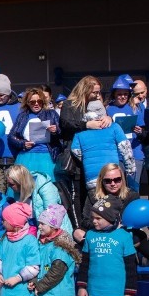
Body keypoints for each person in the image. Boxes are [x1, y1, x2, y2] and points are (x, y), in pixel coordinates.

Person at [59, 75, 112, 216]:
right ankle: (79, 227)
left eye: (98, 92)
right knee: (77, 193)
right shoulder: (69, 104)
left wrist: (108, 118)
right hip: (76, 158)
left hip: (94, 156)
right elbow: (65, 124)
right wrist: (85, 124)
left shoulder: (95, 104)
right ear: (84, 90)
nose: (97, 95)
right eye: (94, 92)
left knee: (96, 192)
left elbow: (104, 120)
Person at [71, 100, 135, 190]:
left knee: (97, 203)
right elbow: (126, 150)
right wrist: (130, 170)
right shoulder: (114, 127)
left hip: (91, 176)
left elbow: (75, 150)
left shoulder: (80, 132)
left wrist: (87, 158)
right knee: (115, 202)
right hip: (113, 175)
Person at [73, 163, 141, 243]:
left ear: (122, 179)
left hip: (122, 232)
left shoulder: (132, 196)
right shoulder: (93, 195)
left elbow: (135, 222)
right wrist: (104, 226)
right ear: (102, 181)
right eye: (108, 181)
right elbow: (85, 220)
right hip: (99, 230)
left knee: (140, 236)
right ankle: (95, 248)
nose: (113, 184)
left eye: (117, 180)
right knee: (77, 232)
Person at [8, 87, 61, 180]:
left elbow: (62, 133)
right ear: (27, 103)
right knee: (25, 187)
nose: (36, 104)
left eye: (39, 101)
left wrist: (55, 131)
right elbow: (11, 136)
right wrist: (23, 144)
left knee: (47, 188)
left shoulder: (51, 113)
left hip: (47, 157)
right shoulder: (22, 116)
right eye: (32, 102)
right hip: (26, 157)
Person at [106, 76, 146, 192]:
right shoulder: (107, 108)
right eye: (119, 94)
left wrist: (140, 131)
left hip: (135, 152)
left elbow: (143, 130)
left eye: (125, 94)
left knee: (133, 188)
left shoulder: (136, 107)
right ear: (114, 94)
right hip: (116, 154)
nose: (123, 96)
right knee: (117, 188)